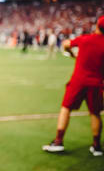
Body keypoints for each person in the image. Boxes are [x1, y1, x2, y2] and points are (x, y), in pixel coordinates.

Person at [42, 15, 104, 156]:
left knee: (66, 108)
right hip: (96, 82)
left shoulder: (86, 39)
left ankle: (58, 141)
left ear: (97, 26)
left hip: (79, 81)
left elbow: (65, 44)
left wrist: (72, 55)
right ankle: (97, 146)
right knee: (95, 113)